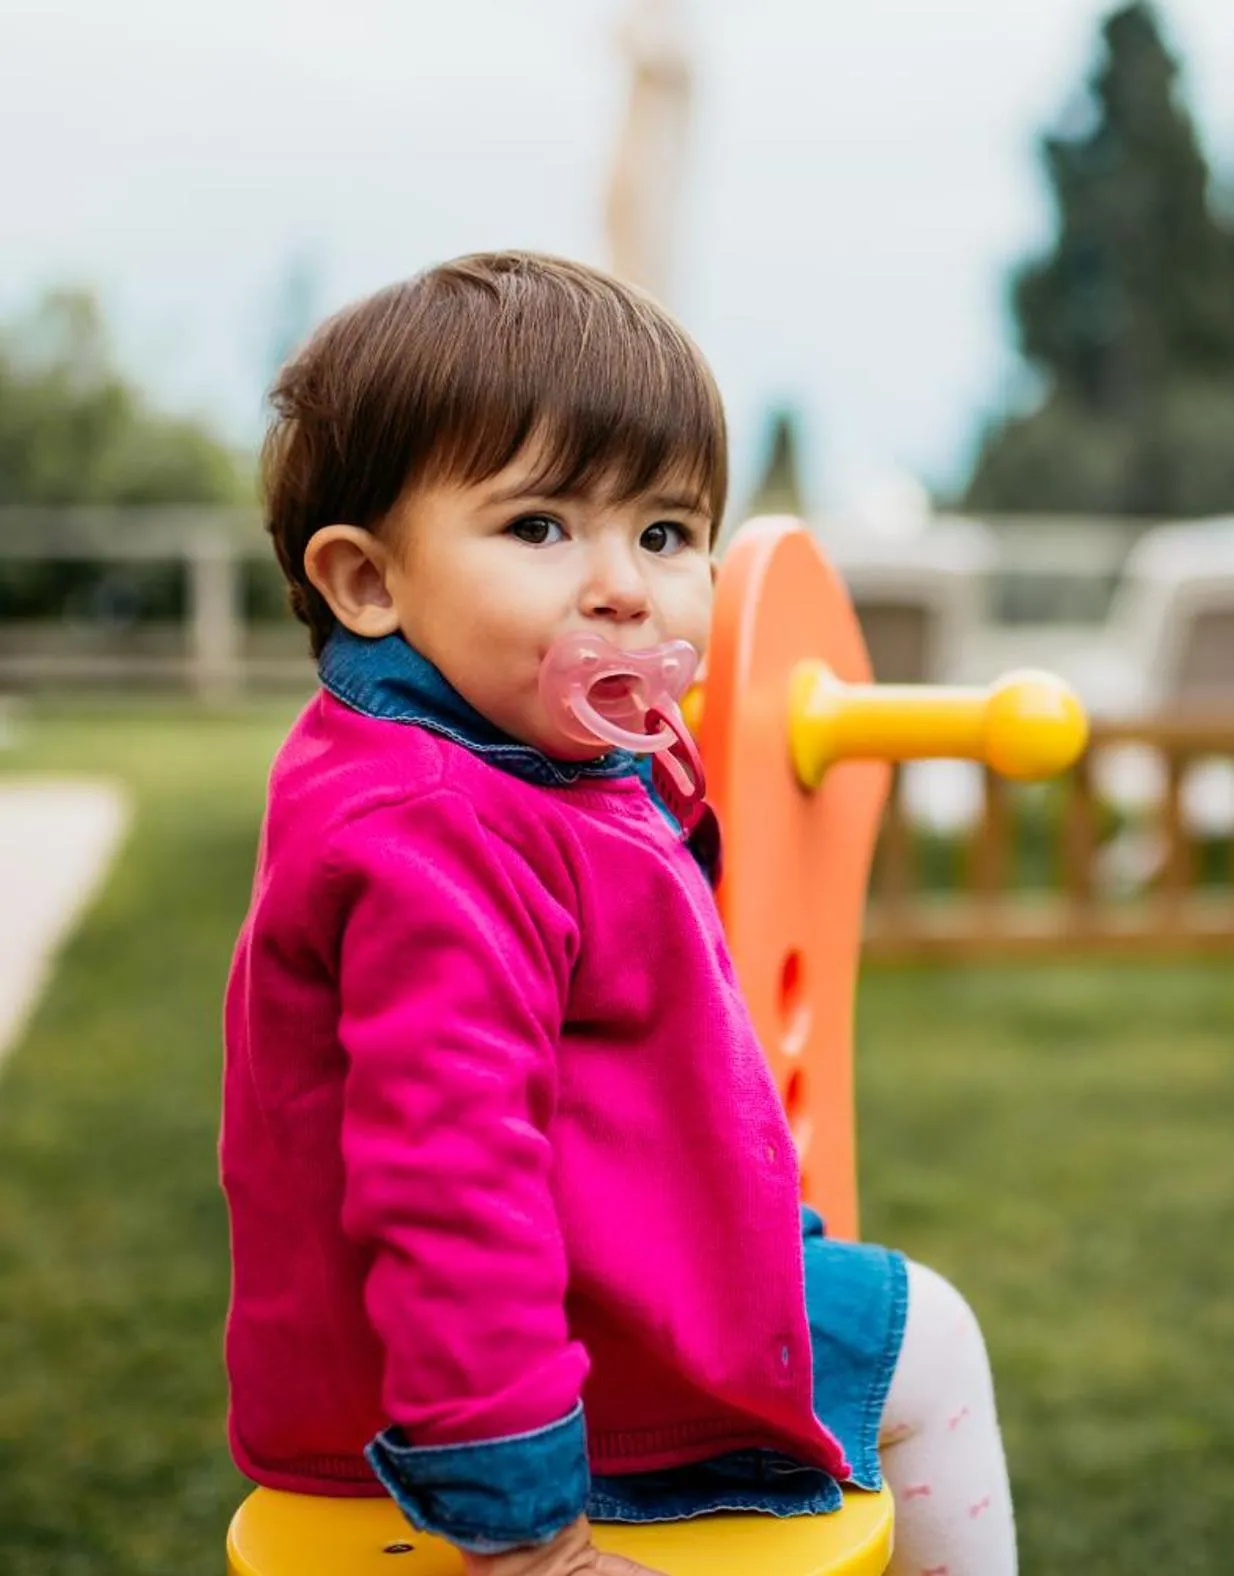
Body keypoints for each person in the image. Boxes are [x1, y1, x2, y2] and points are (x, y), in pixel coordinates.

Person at [220, 251, 1016, 1576]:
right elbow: (450, 1184)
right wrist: (524, 1528)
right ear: (369, 584)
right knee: (928, 1342)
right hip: (516, 1396)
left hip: (572, 1305)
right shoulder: (430, 831)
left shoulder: (519, 761)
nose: (623, 588)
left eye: (663, 533)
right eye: (540, 528)